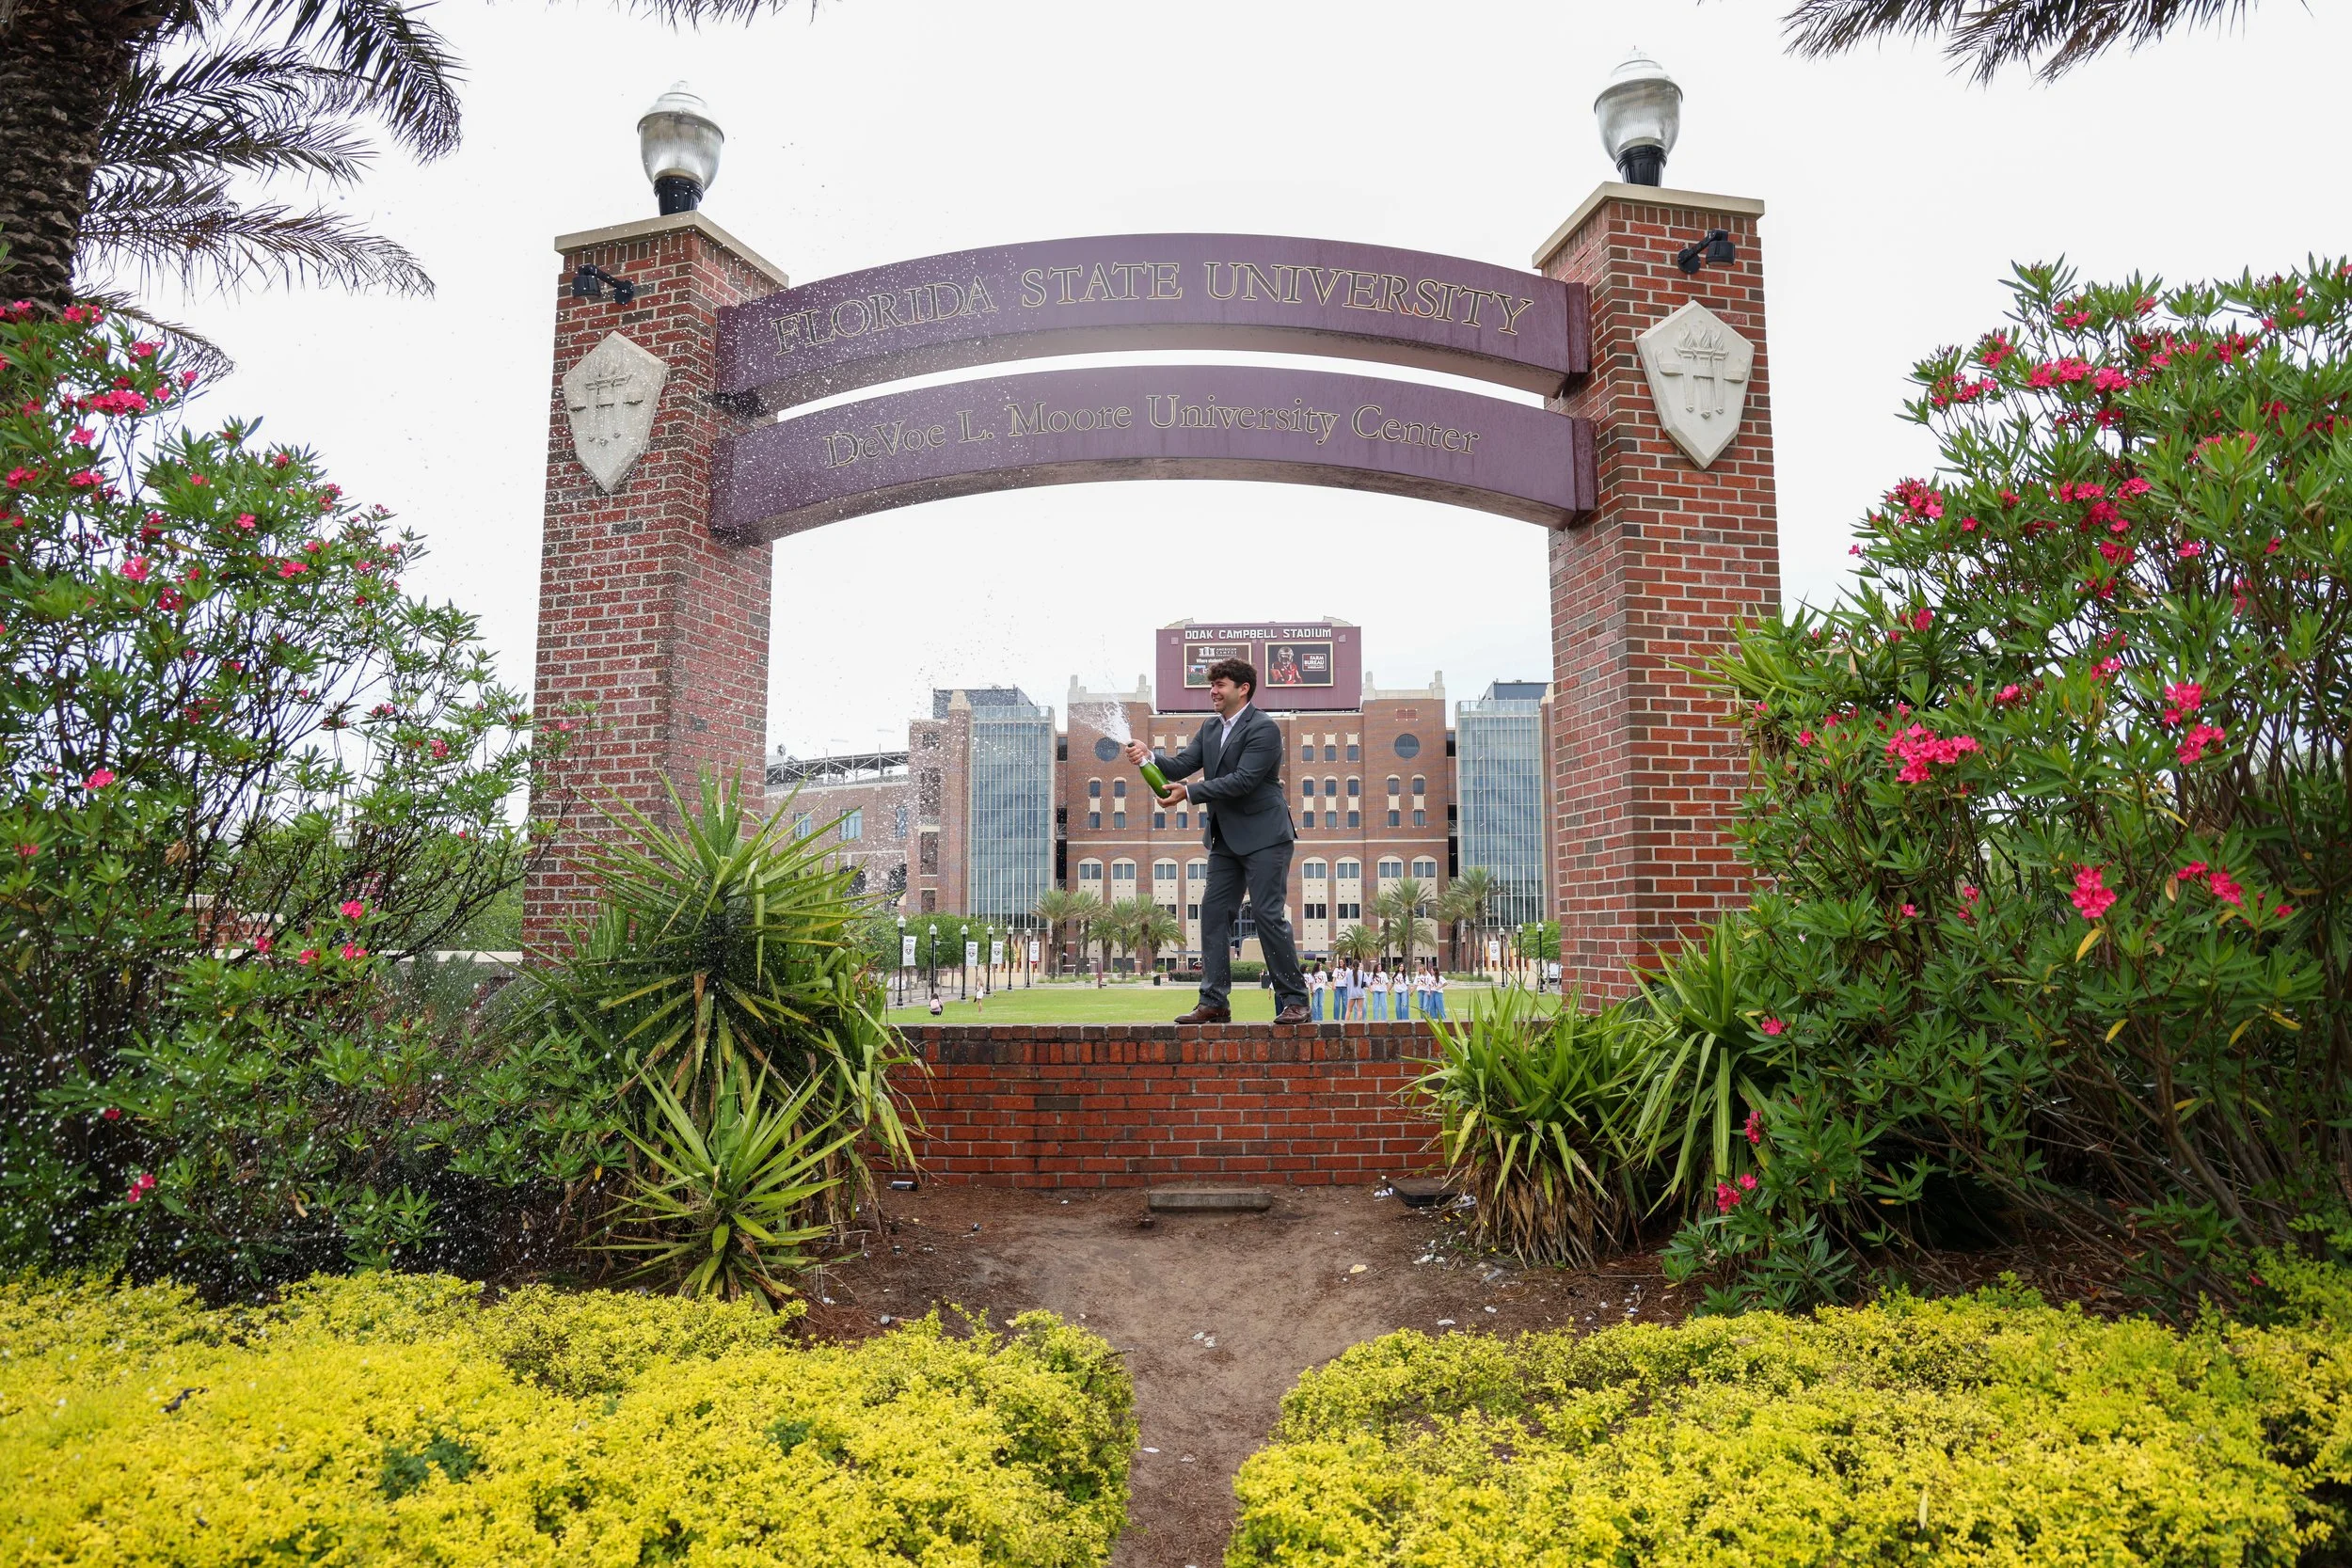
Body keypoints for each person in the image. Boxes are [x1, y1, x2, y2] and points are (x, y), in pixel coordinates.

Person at [1127, 657, 1311, 1023]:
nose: (1213, 691)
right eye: (1211, 685)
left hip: (1266, 837)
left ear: (1243, 689)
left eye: (1220, 685)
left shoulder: (1264, 729)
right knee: (1212, 913)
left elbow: (1243, 780)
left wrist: (1189, 793)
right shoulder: (1210, 728)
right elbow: (1181, 765)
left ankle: (1295, 1000)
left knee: (1267, 914)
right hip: (1225, 839)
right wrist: (1149, 757)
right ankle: (1214, 1002)